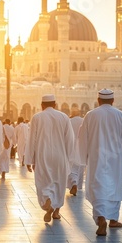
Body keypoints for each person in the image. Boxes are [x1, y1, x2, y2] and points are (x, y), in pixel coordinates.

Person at [78, 89, 122, 236]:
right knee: (115, 187)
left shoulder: (90, 115)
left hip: (96, 158)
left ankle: (101, 217)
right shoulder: (121, 116)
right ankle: (113, 220)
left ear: (98, 100)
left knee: (98, 187)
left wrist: (82, 159)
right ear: (113, 101)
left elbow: (83, 138)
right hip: (116, 159)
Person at [25, 94, 75, 222]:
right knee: (59, 182)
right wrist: (69, 158)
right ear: (55, 104)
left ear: (42, 106)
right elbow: (70, 139)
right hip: (60, 155)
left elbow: (32, 140)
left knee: (44, 180)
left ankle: (47, 199)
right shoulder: (64, 117)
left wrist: (29, 159)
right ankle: (56, 212)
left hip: (43, 155)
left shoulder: (37, 117)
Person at [68, 109, 84, 194]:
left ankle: (73, 183)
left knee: (71, 167)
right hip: (81, 147)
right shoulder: (83, 120)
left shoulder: (69, 121)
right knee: (80, 168)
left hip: (70, 147)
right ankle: (78, 185)